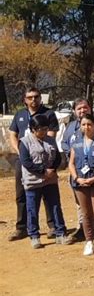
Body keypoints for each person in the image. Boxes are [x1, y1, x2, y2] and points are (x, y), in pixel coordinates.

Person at [8, 87, 59, 241]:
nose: (33, 100)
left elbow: (51, 136)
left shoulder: (48, 114)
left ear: (40, 98)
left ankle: (53, 226)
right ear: (25, 99)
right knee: (21, 194)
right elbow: (13, 135)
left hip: (44, 161)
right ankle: (22, 227)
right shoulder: (19, 115)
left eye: (36, 97)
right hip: (23, 161)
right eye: (30, 97)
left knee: (47, 193)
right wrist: (21, 152)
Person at [19, 114, 66, 248]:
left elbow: (57, 157)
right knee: (32, 209)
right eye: (40, 129)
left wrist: (52, 169)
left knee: (55, 207)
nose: (43, 131)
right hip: (33, 181)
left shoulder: (50, 140)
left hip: (50, 180)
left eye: (45, 128)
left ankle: (60, 233)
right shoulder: (24, 142)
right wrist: (42, 171)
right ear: (33, 129)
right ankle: (34, 236)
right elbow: (26, 162)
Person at [61, 98, 94, 244]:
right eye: (79, 108)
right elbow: (64, 143)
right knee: (81, 204)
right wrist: (74, 154)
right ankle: (84, 229)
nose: (82, 111)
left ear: (90, 109)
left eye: (85, 108)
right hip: (77, 171)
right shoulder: (70, 126)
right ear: (74, 111)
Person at [68, 114, 94, 257]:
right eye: (84, 124)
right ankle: (89, 241)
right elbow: (71, 163)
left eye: (89, 124)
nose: (87, 127)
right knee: (85, 214)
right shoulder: (76, 143)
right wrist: (76, 178)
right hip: (80, 183)